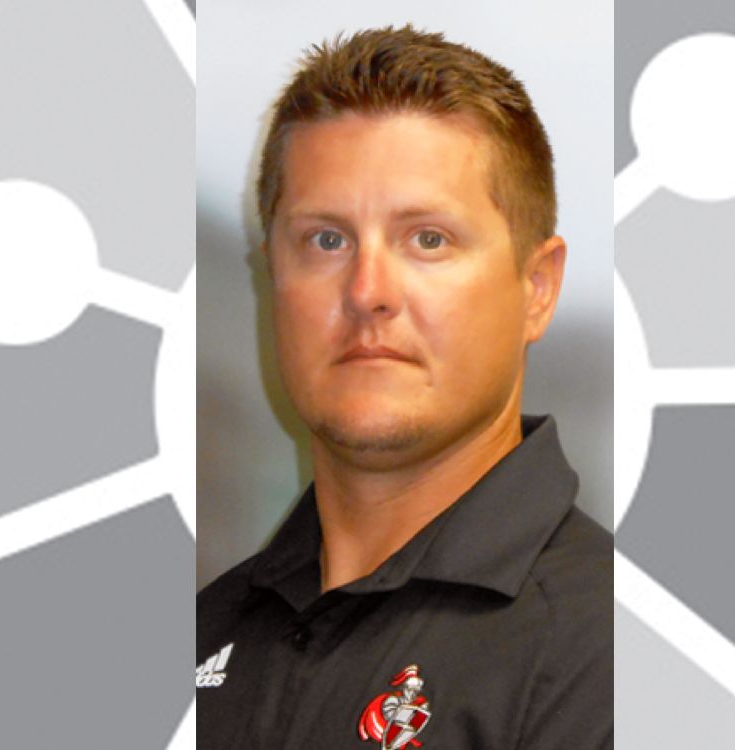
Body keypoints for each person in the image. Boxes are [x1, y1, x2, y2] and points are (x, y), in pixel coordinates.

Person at [197, 25, 612, 749]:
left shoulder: (619, 652)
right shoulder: (205, 633)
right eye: (326, 240)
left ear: (537, 288)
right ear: (274, 278)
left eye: (428, 239)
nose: (368, 291)